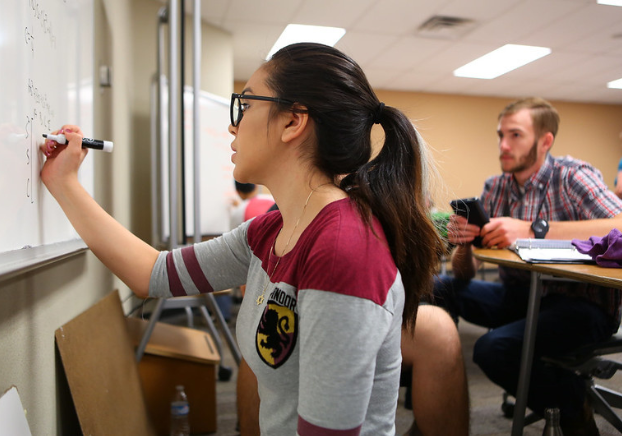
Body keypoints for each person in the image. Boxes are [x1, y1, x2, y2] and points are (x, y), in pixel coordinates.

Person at [40, 42, 443, 435]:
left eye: (247, 105)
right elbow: (153, 273)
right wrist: (64, 184)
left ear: (293, 122)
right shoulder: (269, 230)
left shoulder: (343, 251)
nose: (234, 124)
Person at [434, 97, 622, 435]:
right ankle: (434, 400)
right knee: (437, 287)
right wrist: (464, 245)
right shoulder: (495, 187)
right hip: (522, 296)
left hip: (582, 306)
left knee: (493, 349)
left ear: (545, 140)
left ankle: (572, 401)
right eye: (500, 135)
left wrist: (534, 229)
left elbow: (620, 225)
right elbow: (466, 273)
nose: (503, 145)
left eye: (516, 135)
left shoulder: (572, 176)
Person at [237, 304, 470, 436]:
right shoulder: (278, 219)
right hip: (304, 312)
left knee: (439, 331)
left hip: (377, 305)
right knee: (261, 339)